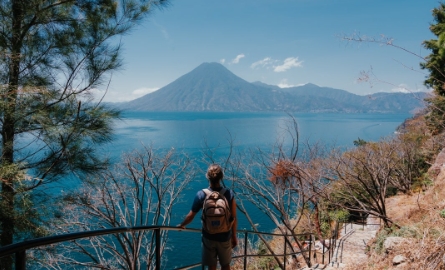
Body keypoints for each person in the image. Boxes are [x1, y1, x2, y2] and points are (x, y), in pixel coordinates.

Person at [177, 164, 238, 270]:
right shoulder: (229, 194)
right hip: (225, 236)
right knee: (226, 265)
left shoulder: (201, 194)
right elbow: (233, 218)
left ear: (207, 177)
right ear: (221, 177)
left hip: (208, 236)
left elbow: (191, 216)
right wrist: (234, 236)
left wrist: (182, 225)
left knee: (211, 266)